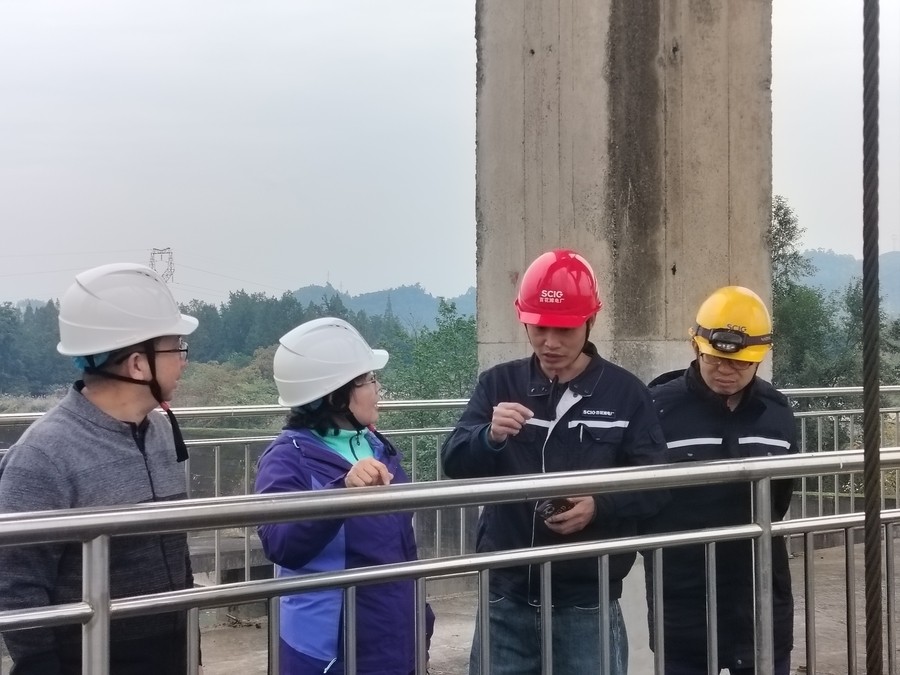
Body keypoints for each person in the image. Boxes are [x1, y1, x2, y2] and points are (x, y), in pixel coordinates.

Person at [440, 248, 668, 675]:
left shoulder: (625, 394)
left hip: (586, 600)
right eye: (539, 327)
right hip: (505, 594)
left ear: (590, 321)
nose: (550, 342)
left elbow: (655, 484)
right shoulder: (499, 384)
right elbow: (453, 460)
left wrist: (600, 506)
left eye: (564, 329)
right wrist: (488, 436)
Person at [0, 262, 199, 674]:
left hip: (169, 650)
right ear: (138, 364)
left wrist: (190, 650)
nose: (184, 361)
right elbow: (16, 584)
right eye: (176, 347)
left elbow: (176, 553)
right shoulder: (43, 454)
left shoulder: (160, 431)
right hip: (89, 658)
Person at [255, 317, 433, 675]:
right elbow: (280, 543)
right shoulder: (287, 457)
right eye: (368, 379)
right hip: (329, 653)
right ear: (335, 394)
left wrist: (420, 616)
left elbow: (402, 543)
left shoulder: (376, 446)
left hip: (393, 638)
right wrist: (341, 494)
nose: (378, 388)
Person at [643, 285, 797, 674]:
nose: (725, 371)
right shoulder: (658, 409)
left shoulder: (778, 415)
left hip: (759, 596)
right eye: (714, 359)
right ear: (695, 346)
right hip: (682, 598)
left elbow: (779, 501)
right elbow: (641, 498)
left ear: (760, 357)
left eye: (739, 364)